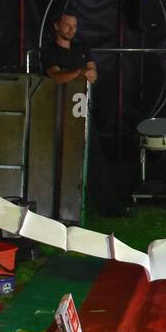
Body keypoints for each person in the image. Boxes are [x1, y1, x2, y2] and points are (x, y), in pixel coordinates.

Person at [40, 13, 125, 216]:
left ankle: (109, 207)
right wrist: (78, 73)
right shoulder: (50, 51)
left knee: (94, 158)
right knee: (57, 160)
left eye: (74, 26)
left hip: (81, 112)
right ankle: (53, 207)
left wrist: (83, 72)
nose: (71, 29)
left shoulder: (81, 49)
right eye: (67, 25)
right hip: (57, 113)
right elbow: (56, 76)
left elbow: (92, 71)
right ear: (56, 26)